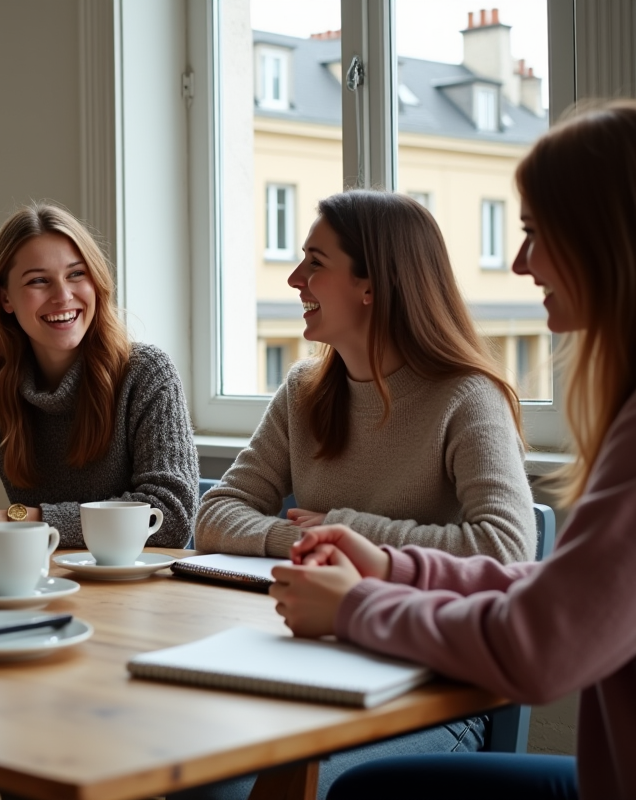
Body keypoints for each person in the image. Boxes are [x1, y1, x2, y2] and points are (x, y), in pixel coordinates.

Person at [269, 100, 636, 800]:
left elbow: (540, 644)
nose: (520, 263)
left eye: (534, 233)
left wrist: (356, 606)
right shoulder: (304, 389)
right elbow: (559, 595)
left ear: (606, 236)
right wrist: (393, 566)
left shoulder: (473, 397)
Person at [181, 191, 537, 800]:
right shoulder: (304, 390)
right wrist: (304, 539)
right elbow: (213, 513)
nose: (295, 278)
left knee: (238, 789)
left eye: (315, 262)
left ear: (372, 285)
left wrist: (348, 531)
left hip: (431, 698)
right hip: (314, 669)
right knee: (197, 776)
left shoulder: (468, 397)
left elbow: (506, 550)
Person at [0, 202, 198, 558]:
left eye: (76, 274)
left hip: (135, 588)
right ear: (5, 297)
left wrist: (16, 520)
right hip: (36, 581)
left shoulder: (146, 374)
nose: (62, 296)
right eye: (38, 280)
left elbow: (171, 515)